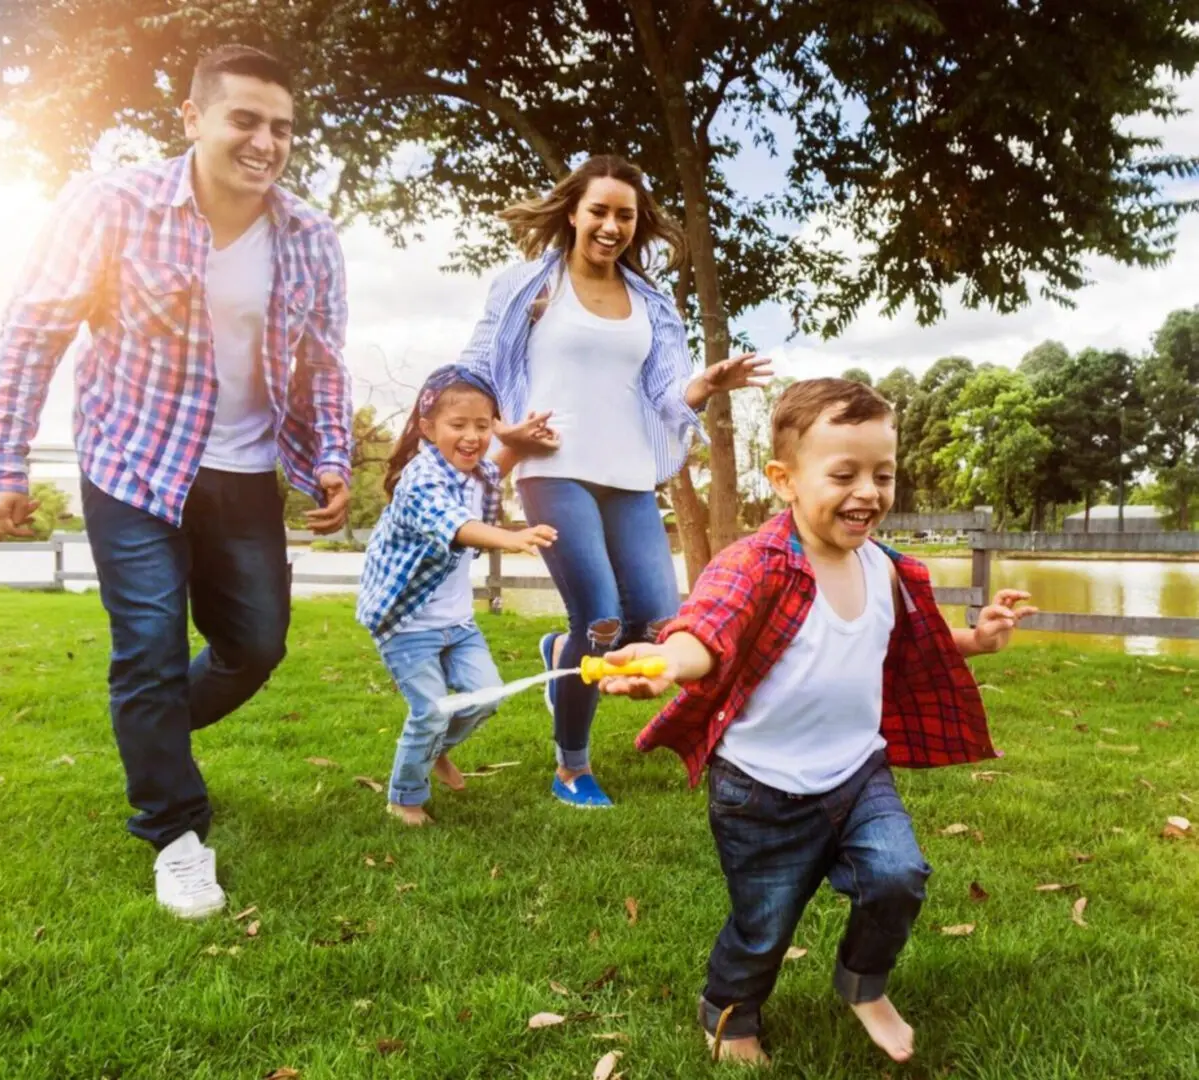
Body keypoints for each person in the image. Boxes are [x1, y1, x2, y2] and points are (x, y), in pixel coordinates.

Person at [0, 45, 354, 918]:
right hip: (134, 462)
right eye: (246, 120)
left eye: (283, 128)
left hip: (245, 470)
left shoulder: (310, 235)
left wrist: (329, 453)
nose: (266, 142)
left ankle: (148, 735)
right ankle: (174, 830)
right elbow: (34, 330)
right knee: (145, 647)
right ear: (193, 119)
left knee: (254, 647)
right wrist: (2, 459)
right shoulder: (113, 204)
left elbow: (322, 365)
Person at [601, 378, 1037, 1066]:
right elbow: (707, 628)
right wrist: (666, 661)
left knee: (898, 875)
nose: (868, 491)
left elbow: (910, 643)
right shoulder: (755, 563)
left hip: (856, 773)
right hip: (759, 791)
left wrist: (977, 639)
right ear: (783, 480)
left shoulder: (887, 570)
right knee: (762, 926)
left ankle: (863, 983)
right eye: (844, 474)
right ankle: (729, 1014)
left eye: (882, 474)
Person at [460, 153, 772, 808]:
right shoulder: (529, 286)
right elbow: (477, 366)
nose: (610, 225)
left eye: (624, 215)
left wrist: (706, 384)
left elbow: (665, 391)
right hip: (554, 467)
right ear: (572, 212)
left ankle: (560, 654)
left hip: (628, 470)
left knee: (658, 622)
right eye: (598, 210)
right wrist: (500, 437)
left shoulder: (651, 302)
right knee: (600, 620)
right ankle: (571, 767)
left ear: (638, 223)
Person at [357, 366, 559, 825]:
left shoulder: (472, 470)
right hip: (406, 624)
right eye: (458, 425)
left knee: (486, 696)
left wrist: (519, 442)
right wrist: (509, 537)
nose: (472, 437)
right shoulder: (421, 478)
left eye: (482, 426)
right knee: (429, 710)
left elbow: (496, 466)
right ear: (428, 430)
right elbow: (456, 526)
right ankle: (405, 797)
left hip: (456, 623)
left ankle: (432, 749)